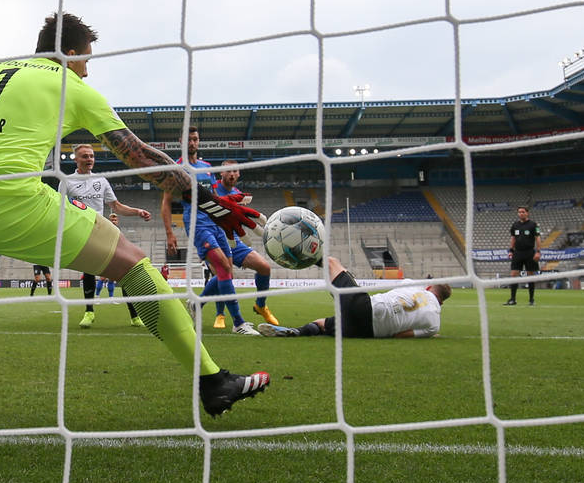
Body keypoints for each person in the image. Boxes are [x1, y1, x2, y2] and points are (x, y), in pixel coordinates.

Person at [0, 12, 269, 417]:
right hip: (15, 202)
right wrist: (210, 201)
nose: (87, 72)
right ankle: (213, 380)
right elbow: (140, 156)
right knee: (135, 269)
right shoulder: (70, 85)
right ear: (70, 53)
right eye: (86, 61)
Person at [161, 128, 260, 336]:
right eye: (188, 139)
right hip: (197, 224)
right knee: (223, 268)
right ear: (181, 141)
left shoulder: (206, 168)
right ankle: (238, 323)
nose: (192, 143)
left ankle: (197, 303)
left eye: (195, 139)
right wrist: (170, 233)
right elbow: (166, 203)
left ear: (199, 141)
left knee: (228, 272)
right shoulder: (176, 169)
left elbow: (215, 198)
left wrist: (230, 210)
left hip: (217, 223)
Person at [62, 143, 152, 328]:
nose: (89, 159)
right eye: (85, 156)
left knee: (124, 269)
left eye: (92, 156)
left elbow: (116, 206)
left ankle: (134, 315)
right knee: (88, 270)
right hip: (81, 231)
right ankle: (89, 312)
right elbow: (60, 208)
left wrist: (137, 211)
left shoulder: (101, 181)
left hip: (102, 230)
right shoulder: (66, 181)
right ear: (76, 159)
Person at [258, 256, 450, 338]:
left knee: (332, 262)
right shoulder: (435, 325)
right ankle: (297, 332)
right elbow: (401, 335)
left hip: (366, 308)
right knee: (323, 323)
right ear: (441, 300)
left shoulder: (413, 284)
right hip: (366, 332)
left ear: (430, 286)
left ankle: (297, 256)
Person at [209, 159, 278, 327]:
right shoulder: (211, 188)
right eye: (228, 171)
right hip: (214, 239)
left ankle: (260, 305)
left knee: (264, 267)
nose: (232, 173)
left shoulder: (239, 193)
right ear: (221, 173)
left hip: (234, 241)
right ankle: (220, 315)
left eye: (235, 171)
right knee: (224, 274)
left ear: (239, 173)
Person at [504, 206, 541, 306]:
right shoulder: (515, 225)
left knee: (530, 276)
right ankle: (512, 299)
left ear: (527, 213)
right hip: (518, 253)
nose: (521, 213)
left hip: (529, 252)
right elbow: (513, 238)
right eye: (519, 212)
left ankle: (531, 300)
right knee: (513, 275)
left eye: (523, 212)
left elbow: (537, 238)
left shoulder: (533, 225)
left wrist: (538, 251)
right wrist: (511, 250)